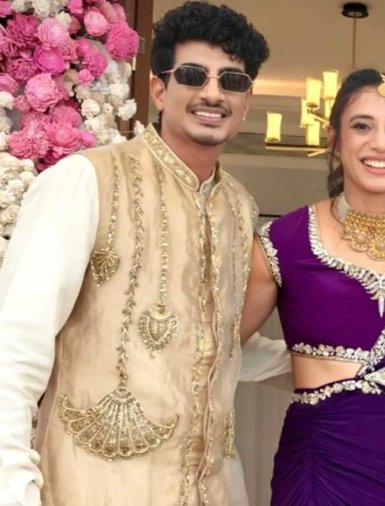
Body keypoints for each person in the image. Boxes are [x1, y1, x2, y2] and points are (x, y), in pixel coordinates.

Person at [0, 3, 290, 505]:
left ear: (247, 102)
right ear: (159, 88)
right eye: (194, 75)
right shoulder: (85, 181)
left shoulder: (239, 208)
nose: (214, 93)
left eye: (233, 82)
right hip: (90, 490)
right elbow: (15, 350)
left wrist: (336, 364)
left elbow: (216, 346)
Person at [239, 68, 385, 505]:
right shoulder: (284, 241)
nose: (381, 143)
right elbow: (212, 349)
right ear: (335, 140)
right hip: (323, 464)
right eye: (362, 126)